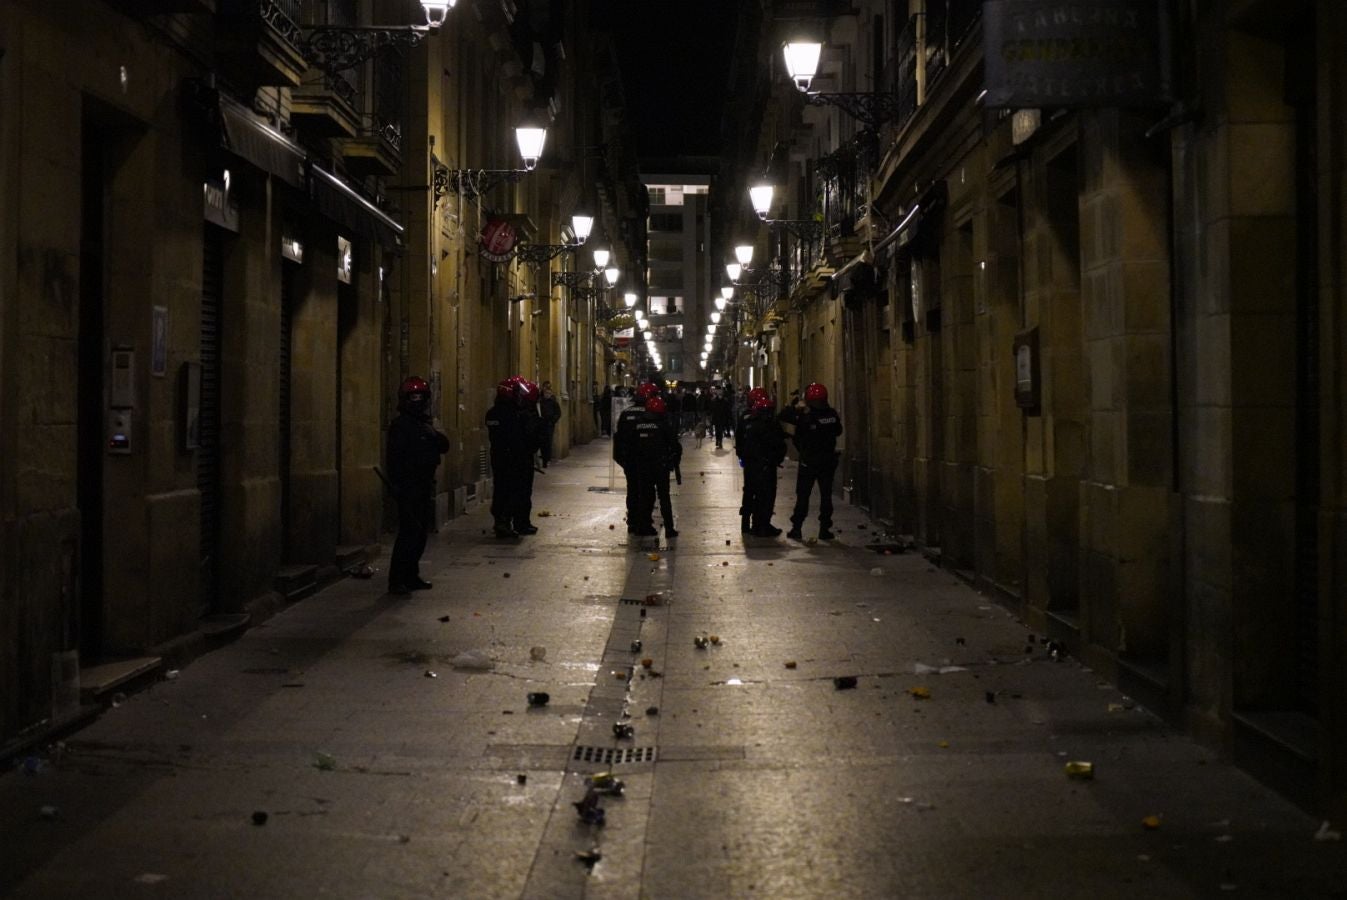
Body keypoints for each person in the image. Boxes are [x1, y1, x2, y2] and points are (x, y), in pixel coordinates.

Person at [386, 375, 450, 593]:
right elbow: (395, 458)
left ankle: (411, 576)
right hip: (408, 486)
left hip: (423, 484)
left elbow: (443, 445)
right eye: (414, 397)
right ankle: (396, 580)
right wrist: (397, 486)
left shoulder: (425, 424)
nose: (418, 401)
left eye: (421, 397)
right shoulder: (401, 426)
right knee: (408, 533)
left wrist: (432, 434)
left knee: (420, 533)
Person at [780, 382, 843, 541]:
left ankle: (797, 528)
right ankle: (824, 529)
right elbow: (838, 431)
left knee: (803, 496)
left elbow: (783, 415)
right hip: (827, 461)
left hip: (808, 461)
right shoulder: (831, 414)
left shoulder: (805, 416)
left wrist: (796, 407)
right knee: (826, 496)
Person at [630, 395, 682, 538]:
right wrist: (674, 461)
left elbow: (631, 445)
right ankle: (669, 529)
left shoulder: (638, 424)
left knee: (645, 496)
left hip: (643, 466)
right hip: (661, 466)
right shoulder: (664, 425)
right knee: (664, 497)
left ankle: (643, 526)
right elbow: (675, 446)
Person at [736, 389, 786, 536]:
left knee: (750, 491)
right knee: (766, 494)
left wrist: (743, 457)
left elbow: (740, 441)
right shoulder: (769, 424)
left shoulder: (746, 419)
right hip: (765, 465)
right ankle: (761, 524)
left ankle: (747, 524)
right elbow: (778, 444)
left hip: (750, 463)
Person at [613, 382, 659, 533]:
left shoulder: (626, 413)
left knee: (632, 490)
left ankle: (632, 520)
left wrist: (622, 459)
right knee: (647, 491)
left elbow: (618, 438)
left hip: (630, 459)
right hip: (647, 460)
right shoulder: (650, 413)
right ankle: (645, 522)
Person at [485, 377, 527, 538]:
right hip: (511, 458)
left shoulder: (492, 413)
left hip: (498, 456)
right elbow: (517, 437)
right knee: (510, 490)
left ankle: (500, 520)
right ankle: (504, 521)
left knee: (500, 488)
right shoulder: (512, 415)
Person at [514, 379, 543, 534]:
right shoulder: (528, 416)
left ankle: (508, 521)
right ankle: (522, 523)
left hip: (511, 457)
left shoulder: (514, 413)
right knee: (524, 491)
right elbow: (534, 437)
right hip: (523, 458)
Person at [539, 381, 561, 468]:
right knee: (542, 442)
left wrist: (553, 421)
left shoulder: (553, 402)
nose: (547, 394)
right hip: (541, 424)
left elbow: (558, 413)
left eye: (549, 392)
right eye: (546, 392)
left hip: (549, 425)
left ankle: (546, 459)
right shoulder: (540, 401)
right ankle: (544, 458)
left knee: (548, 442)